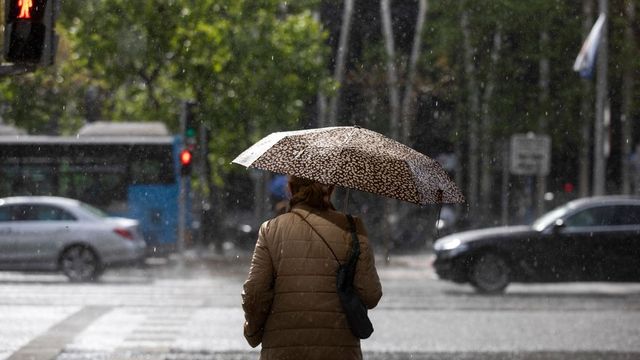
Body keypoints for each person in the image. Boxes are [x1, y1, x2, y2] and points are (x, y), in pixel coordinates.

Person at [242, 175, 382, 360]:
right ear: (331, 190)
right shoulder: (352, 228)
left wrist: (253, 332)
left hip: (283, 349)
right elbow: (371, 295)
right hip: (339, 349)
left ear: (290, 189)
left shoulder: (271, 229)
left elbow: (255, 292)